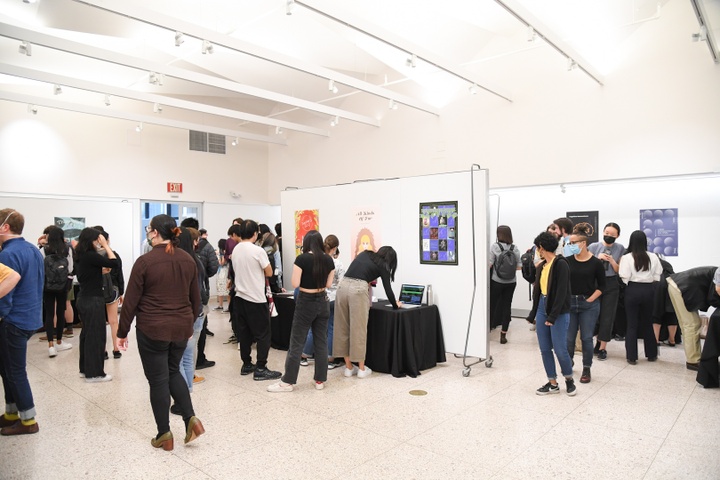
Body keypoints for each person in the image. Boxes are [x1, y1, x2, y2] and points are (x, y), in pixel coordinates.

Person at [116, 214, 204, 451]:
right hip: (180, 328)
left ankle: (164, 434)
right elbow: (196, 299)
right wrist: (189, 324)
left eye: (149, 229)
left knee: (157, 380)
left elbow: (131, 301)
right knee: (173, 371)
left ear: (155, 232)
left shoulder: (145, 262)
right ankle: (190, 419)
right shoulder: (188, 259)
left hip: (153, 329)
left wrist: (122, 332)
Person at [267, 231, 335, 392]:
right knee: (321, 341)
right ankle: (320, 380)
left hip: (306, 302)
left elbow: (295, 283)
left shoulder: (302, 259)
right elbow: (329, 284)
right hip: (323, 301)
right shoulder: (328, 259)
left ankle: (287, 382)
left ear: (306, 243)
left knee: (297, 342)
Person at [0, 209, 44, 435]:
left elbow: (5, 294)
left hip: (13, 320)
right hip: (30, 318)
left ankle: (28, 421)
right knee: (7, 369)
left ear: (5, 227)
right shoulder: (33, 249)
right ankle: (10, 414)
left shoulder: (6, 255)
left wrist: (3, 316)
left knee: (15, 372)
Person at [333, 246, 400, 378]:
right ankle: (362, 369)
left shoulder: (365, 254)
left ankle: (348, 367)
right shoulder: (384, 265)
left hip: (342, 287)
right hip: (357, 290)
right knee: (359, 330)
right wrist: (395, 304)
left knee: (342, 328)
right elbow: (388, 290)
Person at [230, 220, 282, 381]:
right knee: (263, 335)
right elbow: (269, 272)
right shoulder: (258, 251)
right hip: (256, 298)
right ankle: (261, 367)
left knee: (244, 333)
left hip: (239, 297)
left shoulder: (237, 248)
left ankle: (246, 364)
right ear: (255, 233)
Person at [530, 231, 576, 396]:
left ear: (541, 248)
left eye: (537, 248)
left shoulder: (561, 264)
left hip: (558, 310)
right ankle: (552, 382)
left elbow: (562, 292)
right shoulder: (542, 266)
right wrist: (533, 314)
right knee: (544, 349)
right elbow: (537, 291)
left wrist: (553, 316)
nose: (537, 251)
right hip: (543, 307)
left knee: (559, 348)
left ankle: (569, 379)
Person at [75, 227, 118, 383]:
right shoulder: (91, 255)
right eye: (97, 240)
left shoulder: (80, 255)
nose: (99, 243)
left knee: (87, 334)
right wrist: (106, 246)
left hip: (84, 298)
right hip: (93, 300)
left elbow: (85, 274)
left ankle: (85, 369)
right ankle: (94, 374)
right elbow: (115, 263)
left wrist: (98, 273)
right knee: (96, 336)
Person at [565, 223, 606, 383]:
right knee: (569, 339)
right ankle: (568, 363)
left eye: (573, 243)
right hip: (570, 303)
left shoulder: (596, 263)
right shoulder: (567, 261)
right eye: (570, 243)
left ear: (583, 243)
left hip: (588, 304)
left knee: (587, 338)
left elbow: (603, 286)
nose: (571, 245)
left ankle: (586, 368)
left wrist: (590, 299)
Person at [618, 230, 662, 365]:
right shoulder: (653, 256)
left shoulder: (626, 257)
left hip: (632, 290)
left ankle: (632, 357)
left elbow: (624, 276)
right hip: (649, 290)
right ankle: (652, 354)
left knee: (631, 324)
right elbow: (657, 275)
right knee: (648, 322)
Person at [301, 235, 345, 368]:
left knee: (313, 326)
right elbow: (342, 283)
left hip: (317, 296)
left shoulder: (316, 260)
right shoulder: (337, 263)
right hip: (333, 298)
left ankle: (304, 355)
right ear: (335, 248)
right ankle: (330, 358)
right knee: (331, 327)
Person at [666, 266, 719, 371]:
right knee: (692, 324)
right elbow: (717, 290)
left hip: (677, 285)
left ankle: (692, 358)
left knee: (687, 324)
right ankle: (693, 361)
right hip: (681, 287)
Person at [587, 222, 624, 360]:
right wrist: (598, 259)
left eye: (612, 234)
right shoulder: (594, 246)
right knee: (594, 314)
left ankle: (603, 347)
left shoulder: (620, 248)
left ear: (617, 236)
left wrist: (612, 261)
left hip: (611, 283)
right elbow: (587, 266)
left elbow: (619, 270)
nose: (609, 236)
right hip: (595, 283)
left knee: (607, 316)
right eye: (606, 233)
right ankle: (595, 341)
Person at [40, 226, 74, 358]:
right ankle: (59, 341)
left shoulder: (44, 250)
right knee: (61, 312)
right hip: (62, 285)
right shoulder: (67, 249)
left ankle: (50, 346)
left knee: (49, 313)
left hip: (47, 286)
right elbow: (70, 267)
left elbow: (41, 267)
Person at [92, 226, 124, 360]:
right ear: (107, 240)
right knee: (113, 322)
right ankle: (116, 350)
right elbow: (119, 276)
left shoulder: (92, 256)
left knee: (100, 323)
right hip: (113, 291)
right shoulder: (114, 255)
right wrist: (121, 293)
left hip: (97, 292)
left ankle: (103, 351)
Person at [488, 225, 521, 344]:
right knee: (507, 307)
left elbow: (489, 264)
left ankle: (488, 331)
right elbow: (519, 267)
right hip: (511, 282)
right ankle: (503, 335)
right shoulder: (514, 248)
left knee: (492, 305)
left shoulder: (495, 247)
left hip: (497, 281)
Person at [215, 238, 230, 312]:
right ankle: (220, 305)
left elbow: (222, 263)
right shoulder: (224, 252)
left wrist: (219, 256)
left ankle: (228, 306)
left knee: (226, 289)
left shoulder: (225, 252)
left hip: (224, 272)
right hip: (221, 271)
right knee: (220, 288)